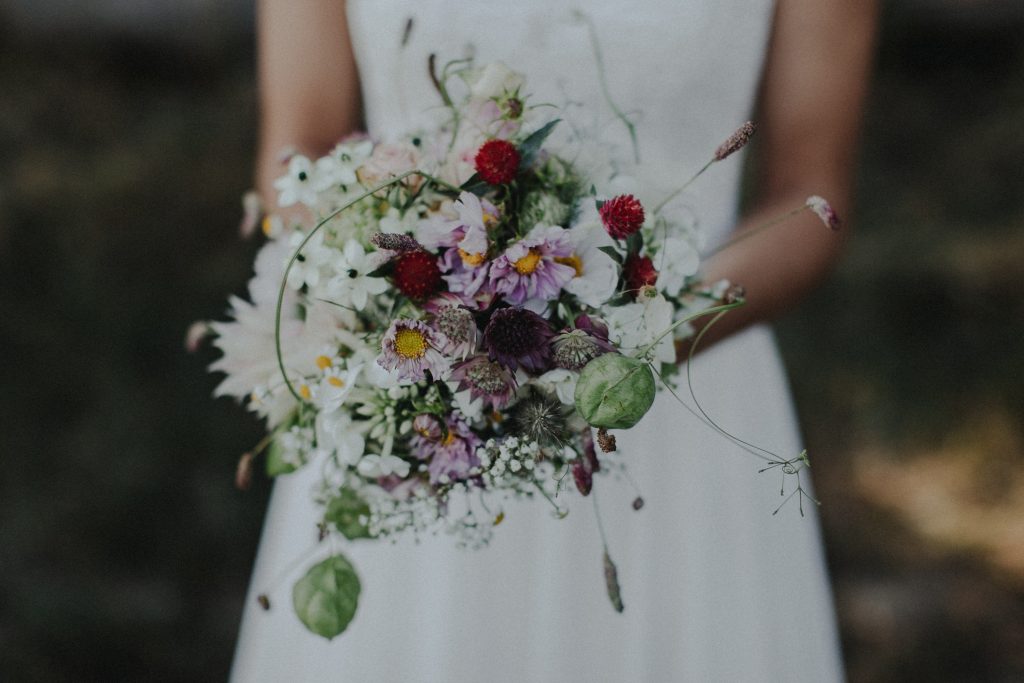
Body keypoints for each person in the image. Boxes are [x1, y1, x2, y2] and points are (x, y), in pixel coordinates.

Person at [231, 1, 877, 680]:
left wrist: (630, 343)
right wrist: (397, 283)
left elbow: (810, 199)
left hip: (682, 398)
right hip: (420, 395)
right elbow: (297, 152)